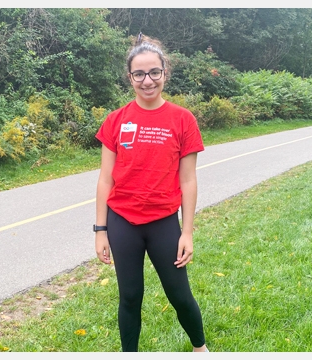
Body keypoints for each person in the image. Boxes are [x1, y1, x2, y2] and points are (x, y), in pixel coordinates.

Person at [93, 33, 209, 353]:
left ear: (164, 73)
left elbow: (188, 181)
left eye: (154, 72)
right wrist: (101, 230)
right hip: (122, 222)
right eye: (139, 74)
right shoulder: (115, 121)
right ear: (130, 77)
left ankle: (200, 349)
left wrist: (187, 232)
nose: (148, 81)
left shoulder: (183, 120)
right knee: (130, 296)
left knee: (179, 295)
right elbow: (105, 180)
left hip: (163, 222)